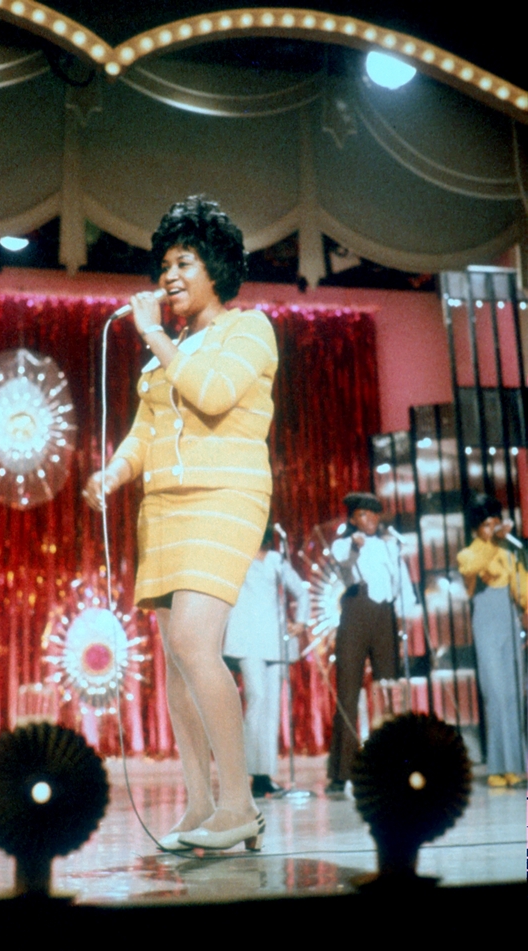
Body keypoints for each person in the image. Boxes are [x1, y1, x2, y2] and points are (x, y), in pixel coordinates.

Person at [85, 196, 278, 850]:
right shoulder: (164, 354)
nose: (168, 276)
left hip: (224, 495)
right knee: (176, 659)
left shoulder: (249, 330)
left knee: (198, 641)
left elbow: (215, 394)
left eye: (183, 261)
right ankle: (200, 802)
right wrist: (112, 473)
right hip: (163, 508)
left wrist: (158, 338)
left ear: (216, 266)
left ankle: (239, 803)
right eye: (163, 263)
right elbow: (144, 433)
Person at [326, 492, 416, 794]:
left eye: (375, 515)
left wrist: (403, 615)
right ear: (353, 519)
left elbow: (402, 584)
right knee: (348, 693)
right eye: (364, 515)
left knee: (387, 688)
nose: (371, 520)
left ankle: (391, 765)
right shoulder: (344, 544)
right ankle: (342, 772)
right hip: (355, 615)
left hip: (384, 618)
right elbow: (346, 574)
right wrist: (354, 548)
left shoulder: (390, 546)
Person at [224, 525, 310, 797]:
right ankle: (246, 774)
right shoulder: (237, 558)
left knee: (272, 707)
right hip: (248, 641)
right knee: (257, 698)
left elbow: (302, 592)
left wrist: (301, 622)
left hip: (275, 640)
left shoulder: (277, 561)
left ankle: (264, 776)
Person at [457, 494, 526, 788]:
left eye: (495, 523)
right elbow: (472, 568)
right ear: (476, 528)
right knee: (496, 694)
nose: (493, 529)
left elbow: (521, 588)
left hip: (509, 622)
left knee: (513, 695)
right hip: (486, 623)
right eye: (487, 525)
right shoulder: (469, 553)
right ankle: (498, 766)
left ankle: (518, 765)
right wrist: (496, 540)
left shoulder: (509, 552)